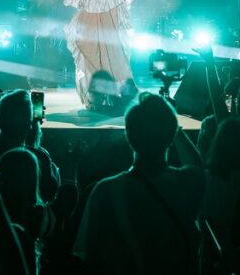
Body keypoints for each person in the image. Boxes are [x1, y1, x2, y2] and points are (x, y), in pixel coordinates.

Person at [74, 93, 205, 274]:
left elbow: (89, 256)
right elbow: (196, 167)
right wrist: (173, 125)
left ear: (129, 135)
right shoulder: (186, 184)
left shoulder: (105, 191)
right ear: (171, 134)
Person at [63, 0, 152, 110]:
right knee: (110, 62)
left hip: (98, 29)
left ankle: (107, 96)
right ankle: (106, 95)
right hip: (98, 29)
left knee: (107, 63)